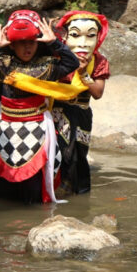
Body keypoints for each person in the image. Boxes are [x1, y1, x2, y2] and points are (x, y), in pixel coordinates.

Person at [0, 10, 80, 204]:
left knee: (35, 181)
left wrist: (53, 42)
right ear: (12, 44)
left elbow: (72, 63)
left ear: (38, 42)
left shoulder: (48, 66)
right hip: (6, 128)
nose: (27, 47)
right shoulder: (1, 63)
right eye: (21, 42)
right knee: (5, 180)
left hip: (37, 127)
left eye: (31, 42)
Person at [53, 11, 110, 195]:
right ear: (65, 35)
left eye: (90, 36)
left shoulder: (98, 61)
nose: (83, 43)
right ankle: (57, 192)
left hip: (82, 112)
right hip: (57, 111)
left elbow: (98, 93)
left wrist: (84, 72)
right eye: (76, 35)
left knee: (79, 153)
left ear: (98, 37)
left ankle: (79, 193)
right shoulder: (57, 58)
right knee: (61, 152)